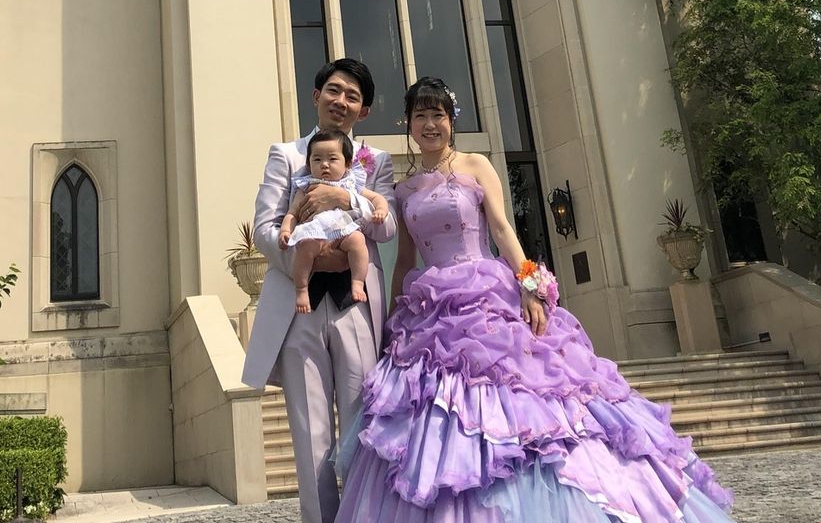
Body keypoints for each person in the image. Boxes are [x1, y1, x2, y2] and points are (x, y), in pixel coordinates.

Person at [335, 76, 736, 523]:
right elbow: (406, 259)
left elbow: (502, 229)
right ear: (408, 123)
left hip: (486, 295)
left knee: (528, 398)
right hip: (430, 309)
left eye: (438, 115)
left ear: (451, 121)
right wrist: (394, 316)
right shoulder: (404, 189)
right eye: (421, 116)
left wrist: (529, 287)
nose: (430, 124)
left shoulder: (475, 165)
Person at [242, 58, 396, 523]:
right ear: (316, 96)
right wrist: (307, 261)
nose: (341, 101)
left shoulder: (377, 162)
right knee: (310, 434)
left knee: (361, 423)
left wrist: (345, 197)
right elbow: (266, 228)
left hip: (356, 306)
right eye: (334, 90)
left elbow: (386, 228)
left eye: (353, 96)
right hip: (300, 306)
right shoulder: (286, 155)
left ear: (363, 111)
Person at [280, 129, 390, 312]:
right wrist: (285, 230)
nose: (324, 165)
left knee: (358, 240)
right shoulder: (306, 187)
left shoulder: (350, 184)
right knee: (305, 247)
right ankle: (301, 289)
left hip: (343, 232)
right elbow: (292, 213)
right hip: (315, 234)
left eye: (332, 159)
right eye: (317, 159)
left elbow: (377, 198)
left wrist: (381, 210)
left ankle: (357, 282)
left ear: (347, 164)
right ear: (308, 164)